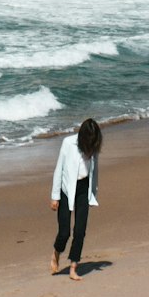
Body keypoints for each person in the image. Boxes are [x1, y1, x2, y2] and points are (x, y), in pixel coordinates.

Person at [50, 117, 101, 282]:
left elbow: (95, 172)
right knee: (64, 232)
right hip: (66, 189)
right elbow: (59, 169)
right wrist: (54, 196)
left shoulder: (94, 148)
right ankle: (57, 252)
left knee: (80, 231)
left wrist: (93, 194)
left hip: (83, 190)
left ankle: (73, 267)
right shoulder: (68, 143)